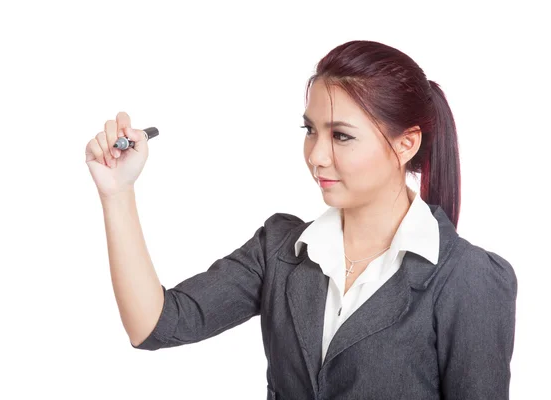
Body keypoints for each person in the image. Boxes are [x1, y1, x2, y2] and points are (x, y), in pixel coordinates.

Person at [85, 40, 517, 399]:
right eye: (310, 130)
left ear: (406, 144)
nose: (316, 156)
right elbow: (156, 326)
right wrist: (118, 193)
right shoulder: (281, 250)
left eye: (341, 136)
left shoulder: (469, 278)